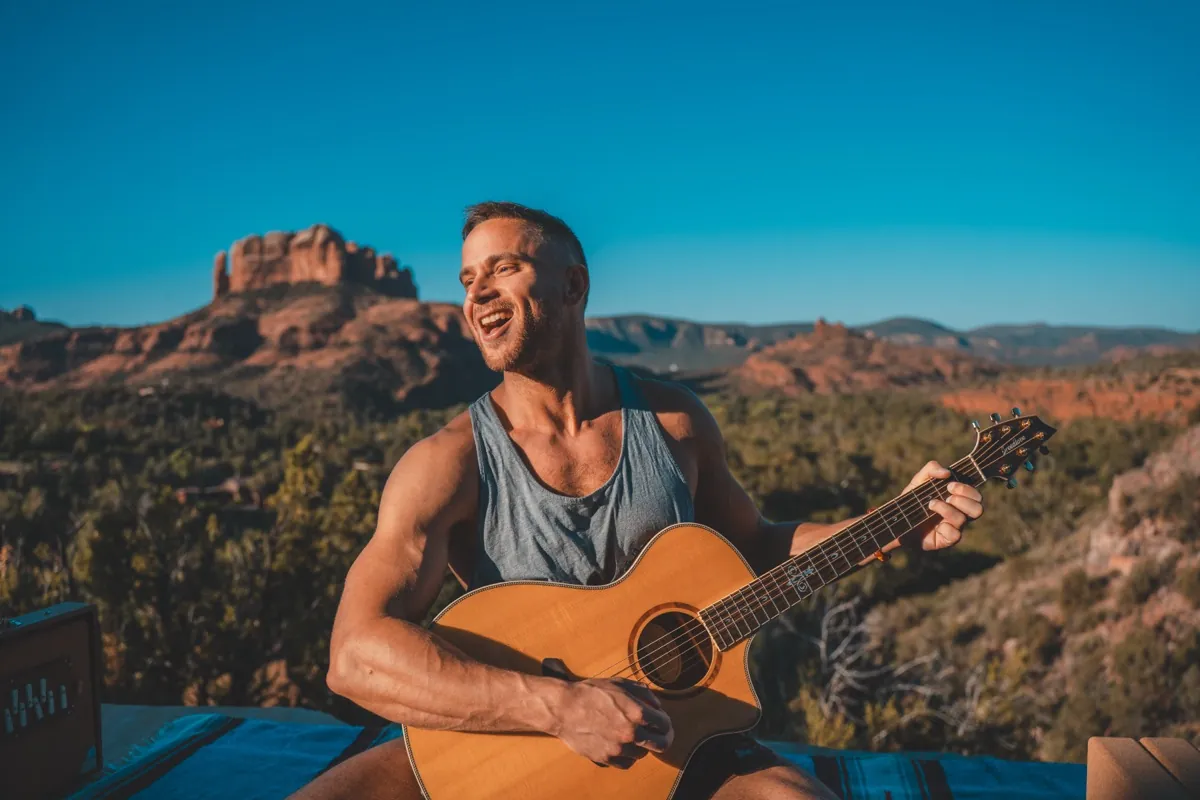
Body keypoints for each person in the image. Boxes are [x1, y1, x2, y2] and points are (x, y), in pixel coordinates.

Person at [293, 202, 984, 800]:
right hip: (502, 753)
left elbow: (754, 547)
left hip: (681, 744)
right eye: (469, 280)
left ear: (573, 285)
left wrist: (889, 524)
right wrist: (560, 707)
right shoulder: (448, 463)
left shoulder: (674, 422)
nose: (478, 295)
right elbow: (355, 656)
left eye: (503, 268)